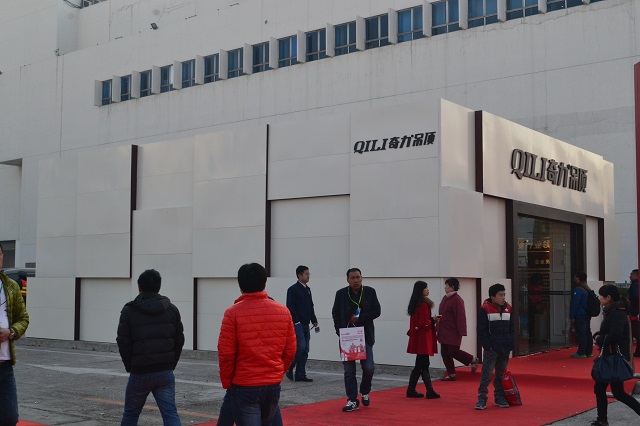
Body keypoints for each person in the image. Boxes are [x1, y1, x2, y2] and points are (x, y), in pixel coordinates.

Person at [218, 263, 296, 425]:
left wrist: (227, 382)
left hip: (245, 383)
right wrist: (278, 371)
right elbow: (290, 349)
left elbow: (226, 353)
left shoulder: (233, 313)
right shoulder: (283, 311)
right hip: (272, 383)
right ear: (264, 282)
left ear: (240, 286)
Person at [116, 269, 184, 426]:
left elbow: (123, 341)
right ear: (159, 287)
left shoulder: (129, 310)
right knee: (170, 413)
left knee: (131, 413)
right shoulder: (171, 309)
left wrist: (131, 365)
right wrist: (171, 364)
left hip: (140, 371)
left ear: (139, 287)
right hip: (165, 371)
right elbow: (179, 340)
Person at [332, 268, 381, 412]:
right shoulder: (341, 294)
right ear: (347, 280)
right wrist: (340, 331)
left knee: (369, 367)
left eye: (358, 277)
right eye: (352, 278)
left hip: (365, 335)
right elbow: (335, 313)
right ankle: (352, 400)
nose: (355, 280)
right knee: (349, 370)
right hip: (347, 336)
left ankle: (364, 390)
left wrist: (360, 318)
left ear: (361, 278)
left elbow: (377, 311)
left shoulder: (369, 292)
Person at [591, 284, 640, 426]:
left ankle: (602, 420)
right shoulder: (612, 311)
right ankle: (602, 419)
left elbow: (615, 334)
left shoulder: (617, 313)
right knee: (612, 390)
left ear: (608, 297)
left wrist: (599, 338)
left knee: (613, 391)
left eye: (601, 295)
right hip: (611, 355)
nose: (599, 298)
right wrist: (599, 335)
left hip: (614, 357)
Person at [0, 243, 30, 426]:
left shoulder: (11, 286)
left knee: (10, 417)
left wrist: (11, 332)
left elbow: (23, 318)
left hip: (4, 365)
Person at [475, 283, 515, 410]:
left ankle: (499, 396)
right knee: (486, 374)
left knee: (500, 375)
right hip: (492, 348)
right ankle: (482, 398)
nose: (503, 297)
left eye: (504, 294)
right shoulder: (485, 309)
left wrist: (511, 343)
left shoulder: (509, 308)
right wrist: (488, 346)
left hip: (504, 347)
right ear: (492, 297)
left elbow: (512, 328)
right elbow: (481, 330)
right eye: (500, 295)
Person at [437, 278, 479, 381]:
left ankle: (472, 359)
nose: (445, 288)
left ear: (452, 287)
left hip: (453, 331)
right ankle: (451, 374)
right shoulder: (445, 298)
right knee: (444, 353)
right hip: (443, 330)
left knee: (453, 351)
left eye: (447, 286)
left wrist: (462, 331)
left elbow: (461, 316)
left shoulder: (457, 299)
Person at [405, 281, 440, 399]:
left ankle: (413, 389)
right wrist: (433, 320)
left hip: (418, 336)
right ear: (421, 290)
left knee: (420, 363)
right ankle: (428, 390)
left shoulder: (415, 303)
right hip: (423, 337)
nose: (428, 290)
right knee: (423, 363)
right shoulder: (424, 304)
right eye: (426, 288)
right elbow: (425, 323)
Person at [286, 265, 318, 382]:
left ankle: (300, 374)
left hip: (306, 323)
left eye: (309, 274)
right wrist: (297, 321)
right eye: (306, 274)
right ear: (299, 275)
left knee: (306, 349)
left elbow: (310, 306)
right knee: (301, 346)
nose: (308, 276)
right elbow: (290, 306)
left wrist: (314, 319)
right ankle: (289, 366)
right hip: (297, 323)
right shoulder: (293, 289)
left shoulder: (308, 290)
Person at [569, 272, 594, 358]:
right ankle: (589, 351)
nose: (574, 278)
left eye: (575, 276)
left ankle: (581, 352)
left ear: (578, 278)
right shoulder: (587, 288)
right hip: (587, 313)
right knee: (587, 332)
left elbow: (575, 304)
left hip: (580, 314)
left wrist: (572, 316)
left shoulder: (578, 289)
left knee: (581, 333)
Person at [629, 269, 640, 357]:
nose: (630, 276)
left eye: (631, 274)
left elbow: (635, 297)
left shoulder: (634, 286)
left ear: (636, 275)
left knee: (635, 332)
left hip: (634, 313)